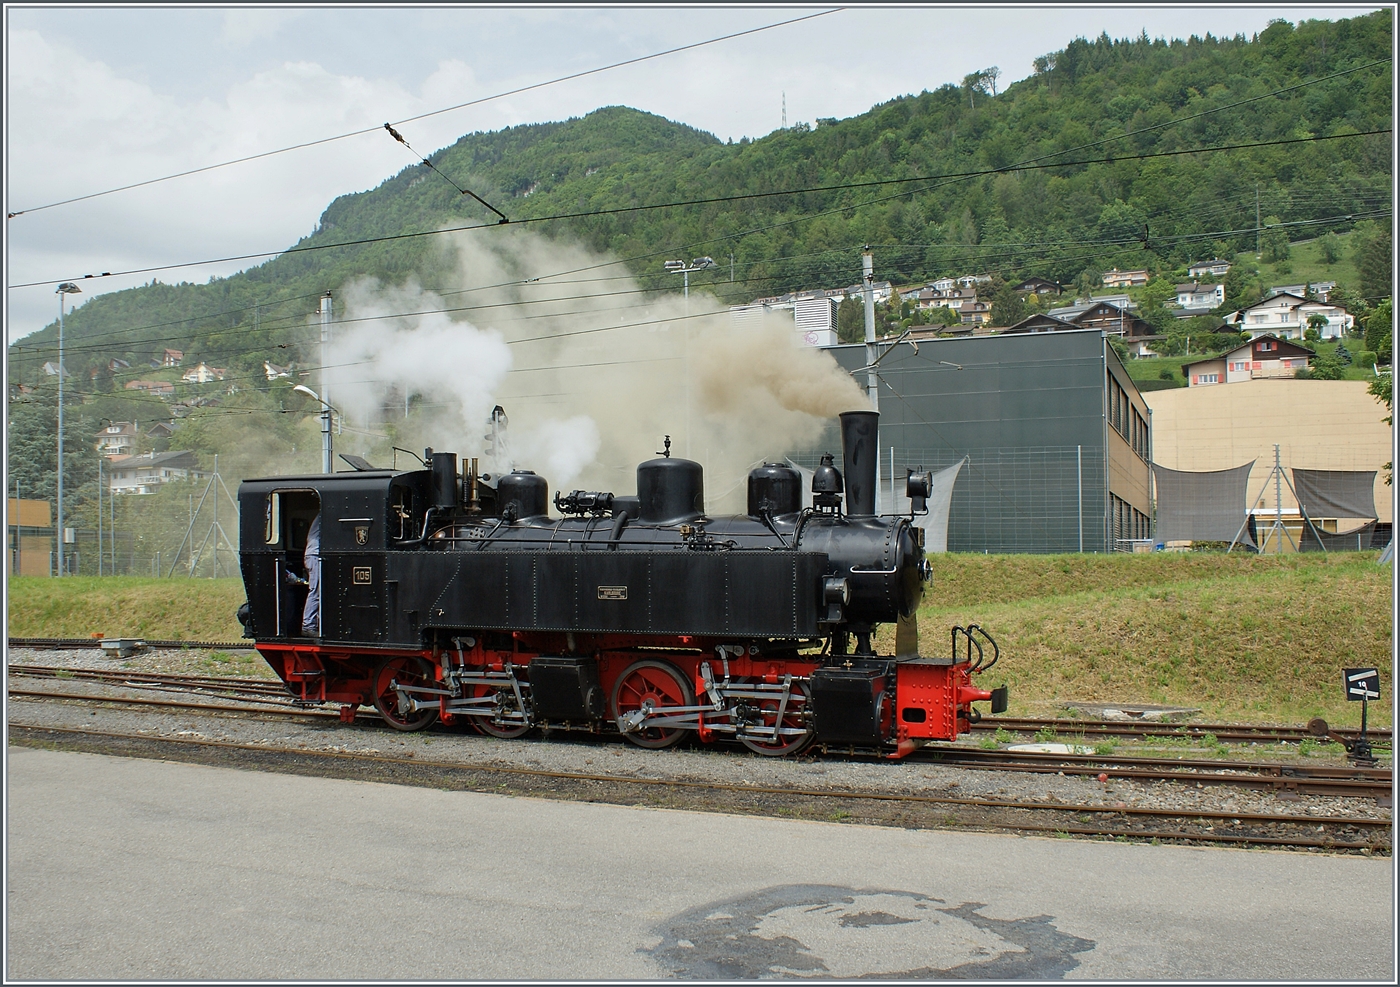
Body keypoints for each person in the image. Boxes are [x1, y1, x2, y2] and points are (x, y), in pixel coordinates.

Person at [300, 513, 321, 637]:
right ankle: (308, 625)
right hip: (314, 555)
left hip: (314, 555)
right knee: (316, 590)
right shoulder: (323, 516)